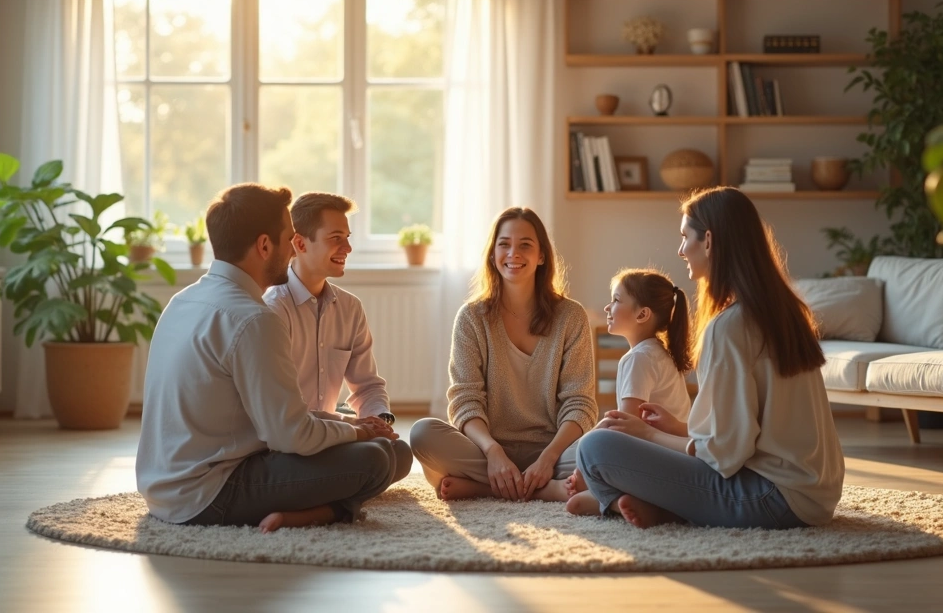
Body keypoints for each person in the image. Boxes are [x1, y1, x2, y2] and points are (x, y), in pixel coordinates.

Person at [567, 186, 845, 529]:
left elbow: (723, 453)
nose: (681, 250)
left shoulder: (730, 326)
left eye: (685, 237)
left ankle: (639, 505)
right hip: (817, 496)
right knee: (608, 443)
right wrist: (678, 428)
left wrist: (649, 435)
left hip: (771, 499)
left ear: (709, 241)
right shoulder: (784, 313)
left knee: (595, 447)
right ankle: (665, 509)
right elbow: (749, 431)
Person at [136, 183, 402, 533]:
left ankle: (324, 504)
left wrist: (357, 425)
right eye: (288, 238)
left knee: (387, 453)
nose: (293, 250)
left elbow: (281, 424)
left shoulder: (182, 301)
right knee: (373, 459)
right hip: (209, 491)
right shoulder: (255, 318)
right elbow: (290, 437)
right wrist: (358, 433)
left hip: (163, 488)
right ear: (265, 246)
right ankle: (325, 512)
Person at [409, 207, 597, 502]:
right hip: (486, 450)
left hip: (555, 452)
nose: (513, 253)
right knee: (422, 434)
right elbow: (465, 400)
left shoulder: (571, 316)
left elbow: (579, 402)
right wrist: (493, 452)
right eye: (504, 244)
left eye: (525, 245)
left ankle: (483, 488)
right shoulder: (471, 317)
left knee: (605, 448)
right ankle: (544, 490)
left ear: (542, 256)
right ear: (493, 254)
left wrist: (548, 458)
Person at [263, 191, 412, 483]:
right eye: (336, 238)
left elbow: (367, 386)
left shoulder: (350, 307)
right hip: (287, 442)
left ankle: (331, 494)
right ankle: (331, 503)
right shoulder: (273, 309)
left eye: (348, 237)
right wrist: (355, 426)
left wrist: (380, 422)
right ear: (300, 243)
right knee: (375, 460)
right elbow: (284, 414)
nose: (348, 247)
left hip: (334, 435)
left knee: (399, 453)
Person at [564, 267, 693, 498]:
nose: (607, 307)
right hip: (675, 456)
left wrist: (583, 458)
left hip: (657, 458)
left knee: (571, 459)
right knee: (576, 478)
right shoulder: (658, 353)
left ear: (642, 315)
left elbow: (623, 426)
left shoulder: (639, 358)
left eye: (615, 300)